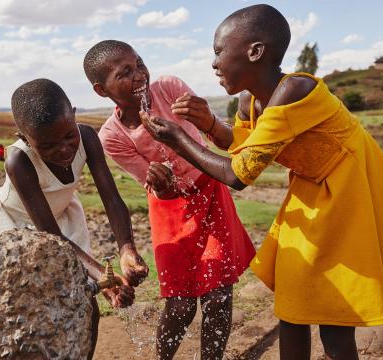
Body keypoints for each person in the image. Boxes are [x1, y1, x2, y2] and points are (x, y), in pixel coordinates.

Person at [141, 4, 383, 360]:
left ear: (255, 52)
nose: (213, 63)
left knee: (335, 310)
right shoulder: (249, 102)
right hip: (312, 188)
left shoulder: (296, 90)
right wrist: (210, 124)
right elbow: (241, 148)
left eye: (218, 52)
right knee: (292, 299)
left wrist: (180, 139)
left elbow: (239, 174)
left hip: (350, 190)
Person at [84, 40, 255, 360]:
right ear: (101, 90)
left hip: (209, 190)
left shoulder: (169, 88)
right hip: (170, 212)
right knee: (180, 305)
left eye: (139, 64)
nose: (139, 75)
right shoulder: (112, 136)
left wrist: (208, 121)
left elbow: (215, 136)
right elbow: (157, 189)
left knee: (218, 296)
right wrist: (160, 184)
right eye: (125, 73)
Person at [0, 78, 149, 359]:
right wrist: (99, 274)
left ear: (73, 113)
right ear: (24, 138)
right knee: (24, 310)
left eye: (69, 135)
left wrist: (126, 248)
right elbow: (49, 235)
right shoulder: (18, 162)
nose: (64, 149)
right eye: (47, 145)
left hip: (62, 217)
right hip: (17, 228)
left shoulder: (87, 138)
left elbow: (111, 198)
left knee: (85, 303)